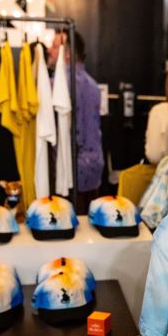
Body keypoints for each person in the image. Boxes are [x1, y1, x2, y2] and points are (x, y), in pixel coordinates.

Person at [47, 31, 103, 213]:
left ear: (68, 53)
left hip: (69, 171)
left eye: (55, 46)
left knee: (68, 227)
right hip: (94, 167)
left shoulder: (56, 85)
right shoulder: (93, 85)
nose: (49, 50)